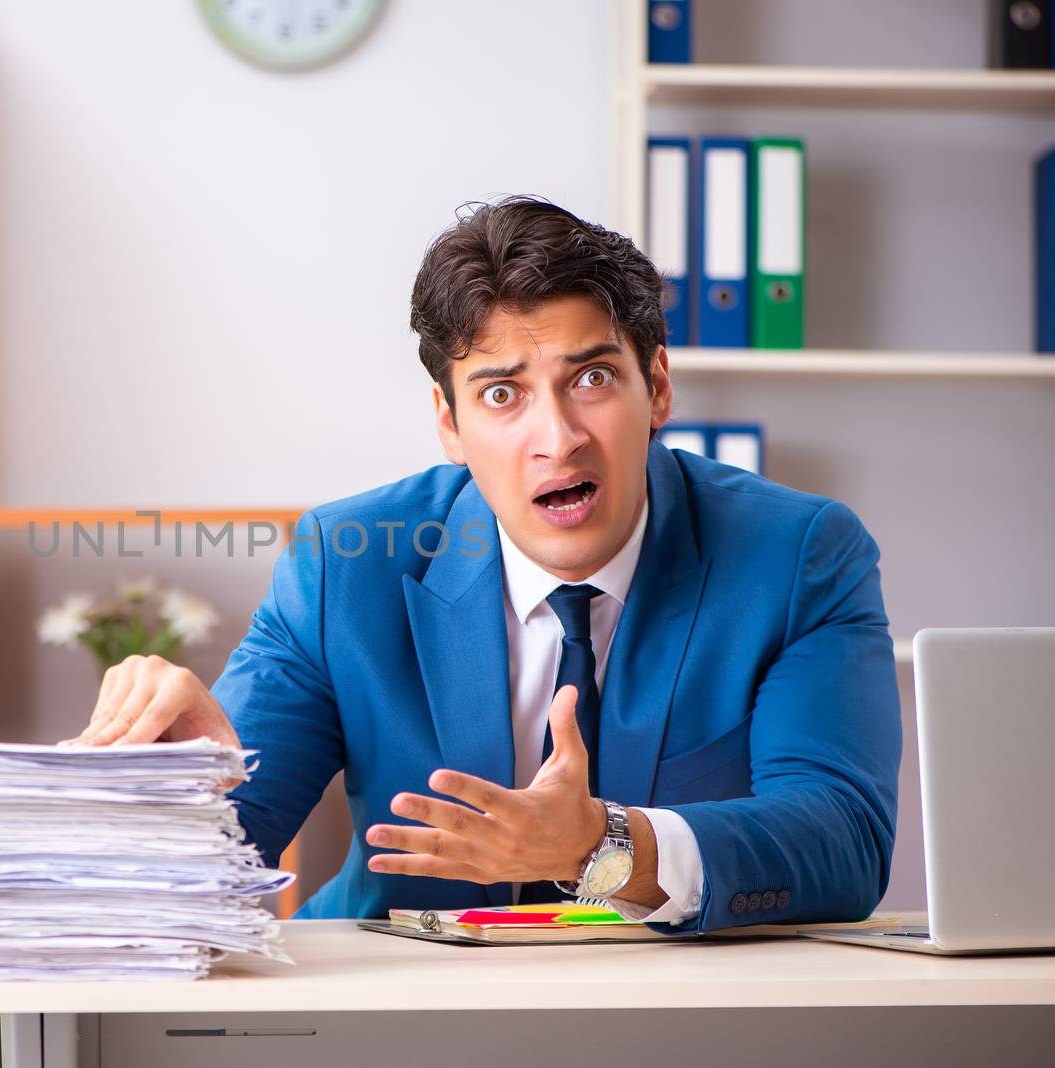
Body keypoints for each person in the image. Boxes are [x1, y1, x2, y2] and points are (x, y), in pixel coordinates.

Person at [64, 196, 902, 931]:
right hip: (397, 1015)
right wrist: (164, 788)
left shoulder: (797, 556)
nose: (559, 437)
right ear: (450, 424)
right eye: (503, 394)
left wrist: (598, 844)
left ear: (659, 386)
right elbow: (223, 857)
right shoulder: (346, 566)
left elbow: (841, 841)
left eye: (594, 378)